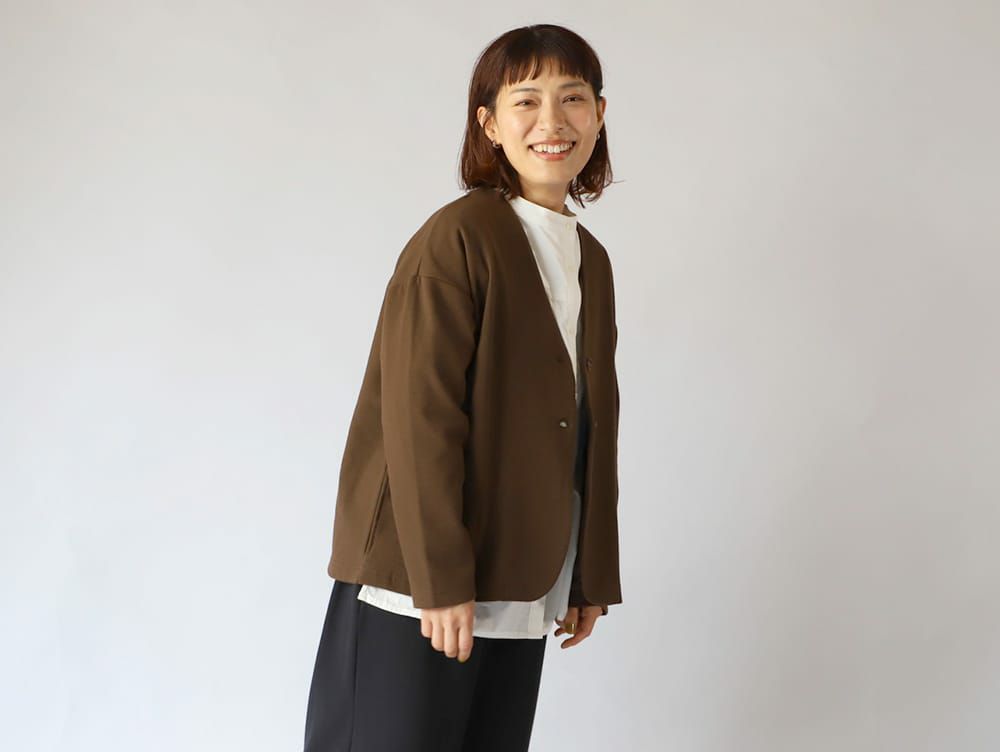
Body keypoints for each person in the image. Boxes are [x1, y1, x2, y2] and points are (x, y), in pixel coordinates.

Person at [304, 23, 622, 752]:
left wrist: (588, 573)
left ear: (599, 115)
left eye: (573, 98)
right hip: (421, 588)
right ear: (490, 124)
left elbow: (589, 421)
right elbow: (420, 422)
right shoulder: (457, 239)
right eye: (526, 100)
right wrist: (440, 580)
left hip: (522, 582)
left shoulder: (590, 260)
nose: (552, 120)